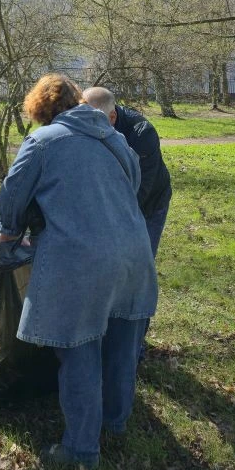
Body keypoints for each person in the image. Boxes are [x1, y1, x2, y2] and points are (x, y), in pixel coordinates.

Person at [0, 74, 158, 469]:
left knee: (79, 348)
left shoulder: (43, 141)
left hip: (81, 262)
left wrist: (11, 232)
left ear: (41, 111)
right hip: (134, 254)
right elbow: (133, 186)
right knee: (122, 346)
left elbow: (13, 195)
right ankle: (115, 423)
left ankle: (81, 450)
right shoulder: (116, 139)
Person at [82, 86, 171, 360]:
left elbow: (141, 190)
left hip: (148, 207)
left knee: (137, 273)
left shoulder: (142, 133)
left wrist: (113, 223)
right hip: (110, 206)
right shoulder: (87, 125)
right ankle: (105, 337)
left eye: (92, 119)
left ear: (111, 118)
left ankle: (134, 348)